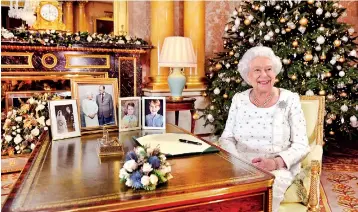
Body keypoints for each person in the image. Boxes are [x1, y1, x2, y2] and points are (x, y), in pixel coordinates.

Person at [218, 46, 310, 212]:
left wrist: (275, 162)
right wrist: (238, 163)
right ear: (248, 75)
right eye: (257, 70)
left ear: (275, 72)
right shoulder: (239, 100)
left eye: (269, 69)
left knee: (263, 195)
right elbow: (227, 138)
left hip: (276, 168)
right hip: (241, 164)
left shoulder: (289, 100)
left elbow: (301, 144)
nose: (264, 75)